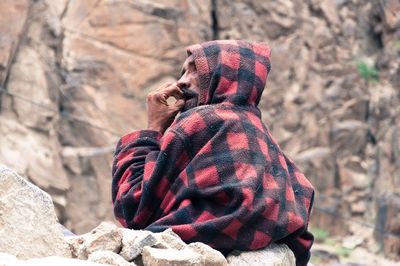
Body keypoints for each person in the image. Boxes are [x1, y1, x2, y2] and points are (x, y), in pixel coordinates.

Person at [112, 40, 315, 266]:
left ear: (221, 75)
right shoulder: (265, 141)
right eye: (182, 72)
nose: (181, 81)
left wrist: (153, 129)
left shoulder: (200, 123)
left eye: (195, 69)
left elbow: (132, 208)